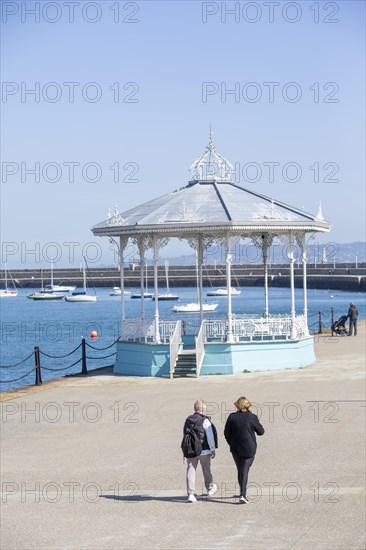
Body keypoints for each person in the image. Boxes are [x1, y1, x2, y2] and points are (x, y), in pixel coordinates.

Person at [224, 396, 264, 504]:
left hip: (235, 448)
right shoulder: (252, 417)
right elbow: (261, 431)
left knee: (240, 469)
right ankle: (242, 494)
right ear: (248, 405)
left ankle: (242, 491)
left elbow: (226, 433)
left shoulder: (232, 417)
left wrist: (231, 443)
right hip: (249, 448)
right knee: (244, 470)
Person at [183, 400, 218, 503]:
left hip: (191, 450)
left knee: (191, 470)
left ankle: (191, 494)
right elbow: (210, 436)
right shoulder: (205, 421)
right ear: (203, 410)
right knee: (206, 469)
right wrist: (213, 449)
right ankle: (210, 488)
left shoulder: (188, 420)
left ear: (195, 409)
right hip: (204, 450)